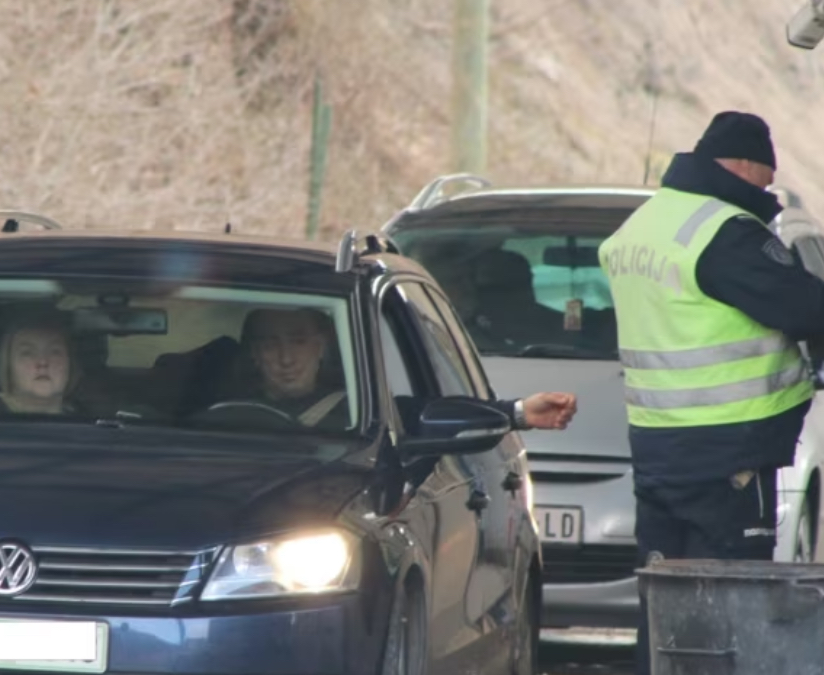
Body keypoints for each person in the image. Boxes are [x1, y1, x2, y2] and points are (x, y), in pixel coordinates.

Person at [596, 111, 824, 675]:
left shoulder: (646, 223)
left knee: (664, 599)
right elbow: (805, 307)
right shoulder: (725, 232)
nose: (768, 190)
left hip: (658, 446)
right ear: (746, 165)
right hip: (728, 453)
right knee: (730, 609)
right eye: (767, 177)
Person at [225, 307, 578, 431]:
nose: (286, 358)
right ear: (254, 354)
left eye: (298, 341)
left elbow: (436, 414)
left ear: (321, 347)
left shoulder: (366, 413)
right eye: (270, 344)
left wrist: (518, 412)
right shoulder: (219, 414)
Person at [0, 309, 82, 415]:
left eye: (54, 352)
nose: (42, 362)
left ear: (70, 364)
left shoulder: (86, 421)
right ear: (9, 365)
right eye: (27, 353)